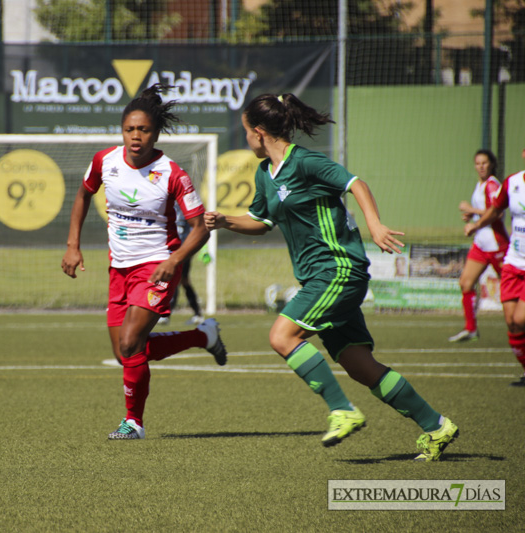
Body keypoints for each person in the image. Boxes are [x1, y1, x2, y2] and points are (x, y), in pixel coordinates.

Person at [205, 93, 458, 461]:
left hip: (338, 268)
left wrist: (374, 224)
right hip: (319, 278)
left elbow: (355, 183)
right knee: (359, 365)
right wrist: (225, 220)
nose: (246, 139)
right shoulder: (265, 174)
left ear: (259, 133)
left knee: (282, 335)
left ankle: (342, 410)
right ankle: (437, 427)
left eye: (246, 132)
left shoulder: (305, 162)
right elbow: (261, 221)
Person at [61, 83, 227, 440]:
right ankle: (203, 335)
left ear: (155, 133)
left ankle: (133, 422)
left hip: (156, 267)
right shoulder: (104, 161)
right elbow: (82, 195)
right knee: (126, 352)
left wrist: (177, 259)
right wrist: (73, 245)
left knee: (130, 343)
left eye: (144, 130)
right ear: (122, 130)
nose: (136, 136)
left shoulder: (173, 174)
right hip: (118, 268)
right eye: (129, 129)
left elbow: (199, 229)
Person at [465, 147, 525, 387]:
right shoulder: (513, 182)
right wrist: (477, 223)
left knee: (520, 320)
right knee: (511, 322)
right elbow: (496, 210)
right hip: (514, 261)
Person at [449, 149, 509, 342]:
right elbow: (486, 212)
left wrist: (471, 210)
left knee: (512, 290)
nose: (481, 167)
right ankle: (471, 329)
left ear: (491, 164)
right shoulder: (480, 184)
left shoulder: (492, 185)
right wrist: (473, 216)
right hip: (481, 245)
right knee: (465, 283)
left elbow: (497, 213)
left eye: (484, 163)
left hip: (496, 245)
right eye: (477, 163)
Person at [157, 204, 205, 326]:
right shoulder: (167, 204)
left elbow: (197, 227)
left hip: (183, 250)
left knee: (177, 279)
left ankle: (166, 315)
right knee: (182, 281)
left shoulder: (186, 206)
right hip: (172, 249)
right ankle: (197, 314)